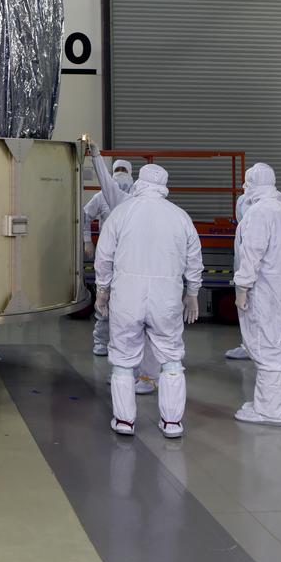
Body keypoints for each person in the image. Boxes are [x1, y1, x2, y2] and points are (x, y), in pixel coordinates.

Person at [94, 163, 203, 438]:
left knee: (123, 358)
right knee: (171, 358)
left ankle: (124, 421)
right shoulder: (180, 216)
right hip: (166, 299)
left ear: (139, 182)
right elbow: (194, 259)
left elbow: (104, 256)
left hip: (126, 297)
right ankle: (172, 423)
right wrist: (192, 293)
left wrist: (102, 290)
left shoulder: (122, 212)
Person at [86, 139, 159, 393]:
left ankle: (137, 374)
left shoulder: (151, 208)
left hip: (134, 276)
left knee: (133, 326)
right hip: (131, 275)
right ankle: (136, 373)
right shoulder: (124, 201)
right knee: (130, 324)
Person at [233, 162, 281, 425]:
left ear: (254, 183)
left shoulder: (259, 212)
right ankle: (278, 405)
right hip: (280, 289)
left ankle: (269, 412)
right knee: (275, 346)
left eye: (247, 182)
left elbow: (252, 254)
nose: (244, 187)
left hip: (262, 290)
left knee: (264, 348)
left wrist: (242, 287)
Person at [84, 159, 133, 356]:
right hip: (107, 256)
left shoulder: (137, 197)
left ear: (131, 173)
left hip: (130, 257)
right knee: (103, 299)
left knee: (129, 303)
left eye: (124, 170)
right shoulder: (101, 196)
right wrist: (87, 239)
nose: (120, 173)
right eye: (117, 170)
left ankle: (124, 343)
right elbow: (85, 215)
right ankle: (101, 341)